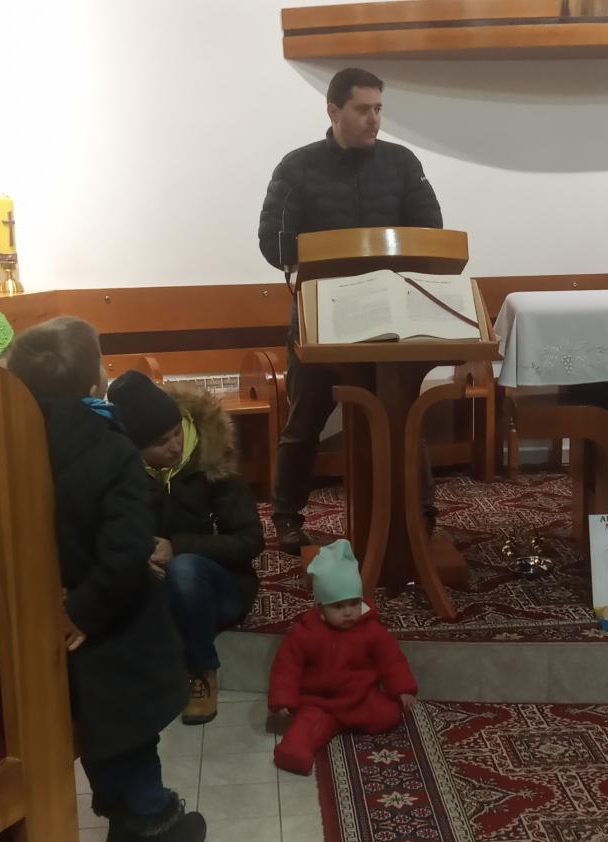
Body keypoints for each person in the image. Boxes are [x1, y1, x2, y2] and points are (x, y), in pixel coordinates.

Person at [8, 317, 206, 842]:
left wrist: (67, 610)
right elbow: (125, 549)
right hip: (116, 619)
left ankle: (117, 820)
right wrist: (86, 611)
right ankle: (155, 823)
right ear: (90, 381)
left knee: (95, 727)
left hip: (53, 613)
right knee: (135, 730)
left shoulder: (18, 440)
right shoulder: (108, 446)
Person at [258, 66, 443, 555]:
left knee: (401, 412)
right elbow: (274, 243)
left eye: (378, 108)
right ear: (333, 111)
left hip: (390, 311)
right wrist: (318, 251)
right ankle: (287, 517)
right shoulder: (297, 167)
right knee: (305, 419)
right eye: (363, 109)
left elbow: (431, 232)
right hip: (323, 311)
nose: (374, 119)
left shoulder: (402, 163)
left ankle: (421, 510)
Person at [107, 370, 265, 725]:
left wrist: (177, 547)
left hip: (222, 588)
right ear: (135, 448)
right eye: (161, 442)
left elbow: (250, 541)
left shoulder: (213, 464)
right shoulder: (125, 476)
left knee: (184, 569)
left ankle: (201, 670)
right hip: (156, 590)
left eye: (177, 432)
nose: (175, 446)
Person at [268, 539, 418, 775]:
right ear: (321, 609)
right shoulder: (305, 633)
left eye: (353, 604)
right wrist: (283, 698)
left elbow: (391, 660)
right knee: (306, 727)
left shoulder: (371, 630)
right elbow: (287, 667)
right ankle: (293, 752)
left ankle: (342, 723)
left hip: (360, 697)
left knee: (389, 714)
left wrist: (402, 688)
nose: (348, 612)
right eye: (338, 607)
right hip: (320, 701)